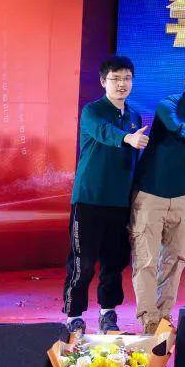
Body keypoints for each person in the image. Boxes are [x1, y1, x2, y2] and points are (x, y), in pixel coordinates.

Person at [130, 57, 185, 334]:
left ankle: (164, 316)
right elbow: (177, 127)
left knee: (176, 259)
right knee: (146, 259)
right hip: (151, 193)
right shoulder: (167, 105)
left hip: (184, 197)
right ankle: (149, 320)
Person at [63, 55, 148, 337]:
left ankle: (107, 314)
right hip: (89, 199)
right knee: (83, 262)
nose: (122, 84)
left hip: (119, 202)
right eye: (115, 79)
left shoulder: (134, 117)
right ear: (103, 82)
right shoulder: (92, 111)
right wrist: (127, 138)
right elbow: (104, 132)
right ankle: (74, 316)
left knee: (115, 260)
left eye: (127, 79)